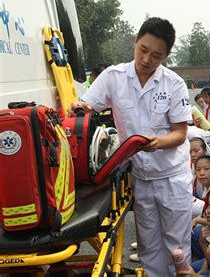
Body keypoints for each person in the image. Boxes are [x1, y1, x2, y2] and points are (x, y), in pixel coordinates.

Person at [68, 17, 192, 277]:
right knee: (149, 247)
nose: (146, 59)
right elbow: (88, 107)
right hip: (141, 176)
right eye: (143, 50)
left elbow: (180, 134)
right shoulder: (114, 77)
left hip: (172, 176)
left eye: (156, 55)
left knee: (177, 247)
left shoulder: (174, 84)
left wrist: (157, 143)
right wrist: (79, 109)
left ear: (166, 55)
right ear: (136, 41)